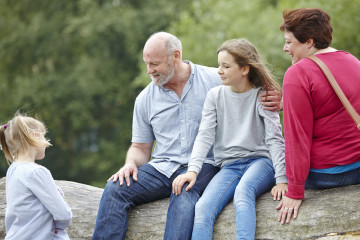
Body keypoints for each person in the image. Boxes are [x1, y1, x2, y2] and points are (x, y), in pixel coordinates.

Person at [92, 32, 282, 240]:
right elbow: (140, 148)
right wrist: (130, 163)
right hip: (161, 168)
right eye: (147, 64)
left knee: (183, 194)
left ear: (176, 55)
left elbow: (249, 92)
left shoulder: (214, 80)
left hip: (204, 165)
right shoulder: (145, 98)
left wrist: (279, 101)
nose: (149, 71)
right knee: (115, 189)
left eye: (155, 64)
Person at [172, 38, 288, 240]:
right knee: (203, 207)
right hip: (229, 166)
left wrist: (282, 179)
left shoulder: (263, 95)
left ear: (244, 69)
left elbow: (275, 140)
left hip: (261, 162)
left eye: (226, 66)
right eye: (219, 65)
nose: (219, 71)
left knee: (243, 193)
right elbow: (204, 136)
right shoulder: (214, 96)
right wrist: (192, 170)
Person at [276, 8, 360, 225]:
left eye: (289, 42)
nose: (285, 48)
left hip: (325, 174)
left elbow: (297, 138)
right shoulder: (353, 61)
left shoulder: (298, 73)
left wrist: (294, 191)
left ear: (309, 42)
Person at [0, 113, 72, 240]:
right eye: (44, 135)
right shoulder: (36, 172)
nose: (46, 141)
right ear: (34, 135)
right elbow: (63, 215)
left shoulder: (13, 170)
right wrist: (61, 225)